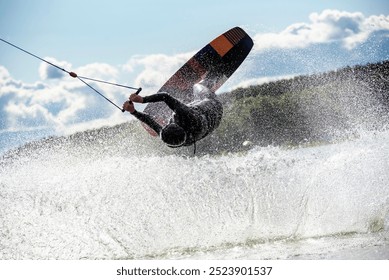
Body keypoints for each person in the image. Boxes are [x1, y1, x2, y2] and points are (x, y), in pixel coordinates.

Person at [122, 82, 223, 150]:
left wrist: (133, 111)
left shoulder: (170, 139)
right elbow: (165, 97)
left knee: (182, 108)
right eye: (167, 124)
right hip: (213, 106)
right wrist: (142, 100)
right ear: (177, 125)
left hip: (213, 123)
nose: (164, 125)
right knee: (196, 85)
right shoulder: (187, 117)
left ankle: (182, 102)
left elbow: (151, 122)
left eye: (164, 126)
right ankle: (207, 82)